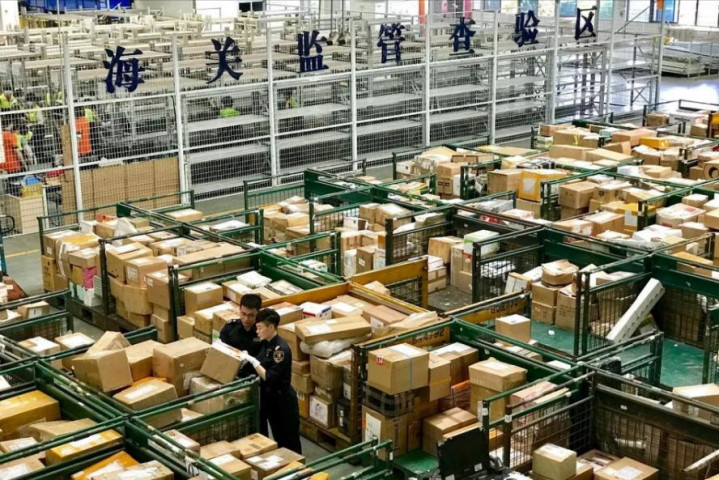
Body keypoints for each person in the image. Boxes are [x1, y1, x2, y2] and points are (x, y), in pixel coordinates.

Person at [241, 308, 302, 454]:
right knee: (275, 438)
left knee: (288, 440)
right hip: (269, 399)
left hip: (282, 401)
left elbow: (270, 377)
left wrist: (253, 362)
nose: (257, 331)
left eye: (260, 328)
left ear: (271, 327)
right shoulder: (266, 343)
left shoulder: (280, 350)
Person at [220, 293, 262, 377]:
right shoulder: (230, 328)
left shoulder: (263, 332)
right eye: (243, 314)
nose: (246, 319)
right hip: (229, 371)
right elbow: (220, 351)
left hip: (253, 375)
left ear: (258, 313)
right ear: (239, 310)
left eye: (251, 315)